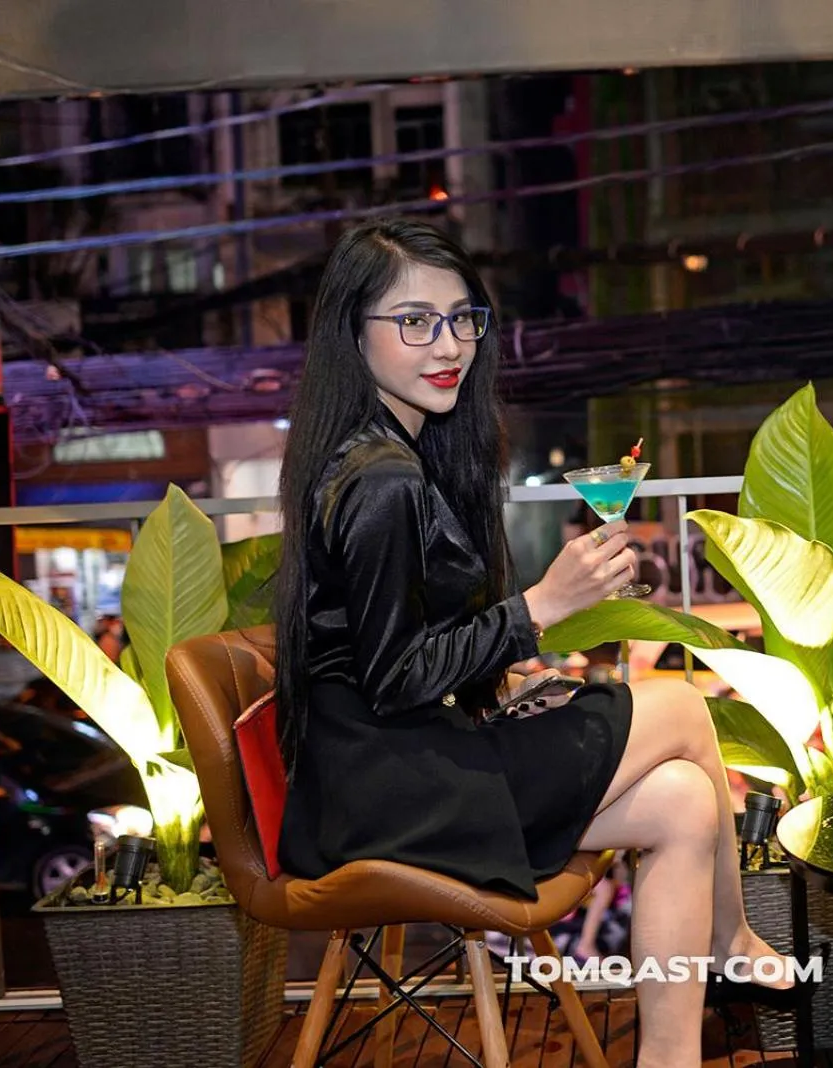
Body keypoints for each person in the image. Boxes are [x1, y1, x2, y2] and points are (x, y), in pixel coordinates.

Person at [270, 217, 791, 1068]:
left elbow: (403, 648)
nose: (448, 344)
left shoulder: (393, 455)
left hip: (390, 768)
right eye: (414, 321)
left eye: (462, 317)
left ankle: (672, 1059)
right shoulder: (381, 481)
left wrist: (506, 683)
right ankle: (734, 940)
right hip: (387, 790)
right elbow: (396, 678)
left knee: (688, 804)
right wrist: (540, 605)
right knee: (685, 706)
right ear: (351, 334)